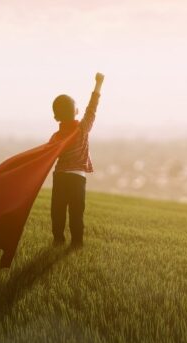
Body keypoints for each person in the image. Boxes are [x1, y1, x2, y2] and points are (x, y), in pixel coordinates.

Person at [51, 72, 104, 249]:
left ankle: (58, 239)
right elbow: (92, 108)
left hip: (59, 177)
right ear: (76, 111)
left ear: (56, 117)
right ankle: (77, 243)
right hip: (77, 179)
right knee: (76, 212)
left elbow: (46, 155)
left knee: (57, 211)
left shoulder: (56, 136)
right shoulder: (82, 129)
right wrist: (98, 84)